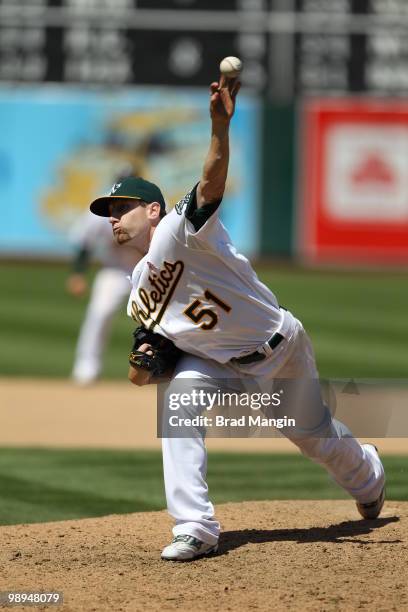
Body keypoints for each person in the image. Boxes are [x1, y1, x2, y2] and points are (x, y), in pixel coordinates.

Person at [89, 74, 385, 561]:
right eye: (108, 212)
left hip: (278, 347)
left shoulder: (180, 233)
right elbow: (140, 375)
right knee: (178, 400)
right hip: (221, 363)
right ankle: (195, 527)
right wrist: (145, 359)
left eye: (123, 207)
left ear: (154, 209)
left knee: (314, 438)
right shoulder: (136, 291)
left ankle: (368, 475)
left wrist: (219, 127)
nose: (114, 217)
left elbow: (210, 181)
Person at [67, 209, 143, 385]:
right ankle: (86, 367)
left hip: (147, 269)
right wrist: (78, 273)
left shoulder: (152, 206)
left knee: (160, 318)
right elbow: (85, 243)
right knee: (100, 313)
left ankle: (164, 368)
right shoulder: (99, 213)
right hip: (114, 270)